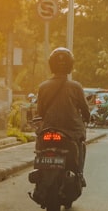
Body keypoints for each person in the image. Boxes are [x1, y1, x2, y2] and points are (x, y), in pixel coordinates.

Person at [36, 47, 91, 180]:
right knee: (81, 144)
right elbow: (85, 109)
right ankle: (79, 174)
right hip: (71, 131)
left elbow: (40, 111)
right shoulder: (75, 87)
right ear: (70, 65)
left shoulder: (43, 87)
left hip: (48, 129)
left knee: (39, 145)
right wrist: (88, 118)